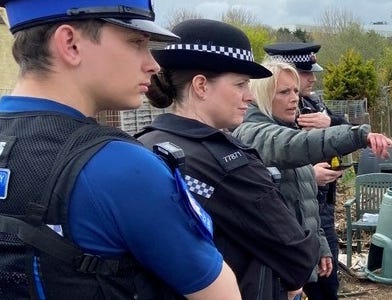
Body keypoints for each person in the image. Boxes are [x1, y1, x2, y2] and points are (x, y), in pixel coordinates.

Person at [0, 1, 239, 299]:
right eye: (136, 43)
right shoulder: (120, 165)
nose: (153, 64)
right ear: (70, 44)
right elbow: (220, 294)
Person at [133, 19, 321, 300]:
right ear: (200, 86)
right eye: (241, 84)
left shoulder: (143, 144)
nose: (248, 97)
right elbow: (298, 256)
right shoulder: (226, 163)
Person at [232, 61, 392, 298]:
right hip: (276, 265)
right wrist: (358, 135)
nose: (294, 99)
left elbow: (305, 202)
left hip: (297, 255)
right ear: (262, 95)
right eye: (283, 92)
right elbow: (294, 145)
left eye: (296, 91)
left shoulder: (287, 127)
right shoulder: (252, 131)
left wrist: (320, 246)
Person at [264, 42, 347, 299]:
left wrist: (330, 122)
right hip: (296, 217)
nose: (312, 78)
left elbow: (344, 131)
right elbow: (275, 160)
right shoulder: (270, 117)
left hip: (321, 209)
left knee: (328, 285)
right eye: (305, 72)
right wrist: (309, 174)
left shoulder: (313, 105)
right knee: (308, 286)